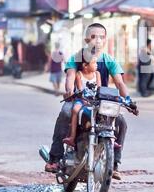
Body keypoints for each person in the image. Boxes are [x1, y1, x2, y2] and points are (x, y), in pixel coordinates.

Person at [45, 23, 129, 180]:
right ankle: (55, 158)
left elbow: (119, 83)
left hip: (101, 102)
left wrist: (128, 100)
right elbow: (70, 77)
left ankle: (115, 163)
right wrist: (69, 90)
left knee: (121, 122)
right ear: (86, 39)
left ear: (105, 40)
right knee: (65, 113)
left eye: (101, 37)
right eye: (93, 36)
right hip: (79, 100)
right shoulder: (76, 59)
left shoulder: (109, 60)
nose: (97, 40)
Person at [63, 52, 101, 148]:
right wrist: (85, 100)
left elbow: (100, 89)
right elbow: (80, 90)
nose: (97, 65)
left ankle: (111, 138)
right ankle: (72, 137)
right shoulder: (79, 74)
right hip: (82, 99)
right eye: (94, 63)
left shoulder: (97, 74)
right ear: (85, 66)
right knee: (75, 109)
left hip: (95, 100)